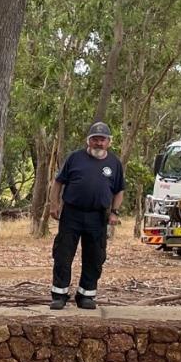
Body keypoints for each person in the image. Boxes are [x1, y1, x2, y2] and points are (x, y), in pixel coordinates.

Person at [49, 122, 125, 310]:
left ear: (108, 142)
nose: (98, 143)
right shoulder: (75, 158)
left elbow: (119, 190)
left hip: (97, 216)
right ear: (88, 141)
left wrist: (114, 212)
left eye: (102, 139)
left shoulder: (114, 163)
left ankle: (86, 295)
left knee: (95, 256)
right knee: (63, 254)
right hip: (72, 214)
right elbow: (58, 182)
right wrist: (54, 204)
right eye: (95, 139)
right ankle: (59, 294)